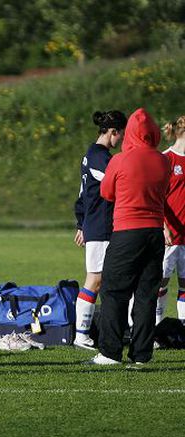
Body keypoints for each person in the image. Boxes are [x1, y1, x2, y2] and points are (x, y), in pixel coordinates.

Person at [87, 108, 170, 366]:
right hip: (155, 233)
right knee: (146, 295)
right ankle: (142, 354)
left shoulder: (120, 160)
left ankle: (110, 352)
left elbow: (107, 192)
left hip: (126, 232)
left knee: (114, 292)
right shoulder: (163, 161)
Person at [72, 110, 127, 350]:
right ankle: (81, 335)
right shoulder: (101, 158)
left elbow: (82, 195)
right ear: (113, 132)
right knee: (95, 280)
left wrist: (81, 223)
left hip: (94, 225)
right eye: (121, 136)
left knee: (101, 279)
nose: (121, 141)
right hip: (102, 226)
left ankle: (100, 330)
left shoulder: (91, 154)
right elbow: (117, 183)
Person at [156, 116, 185, 325]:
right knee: (161, 282)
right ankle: (155, 326)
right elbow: (157, 197)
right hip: (170, 234)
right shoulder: (166, 159)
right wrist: (164, 226)